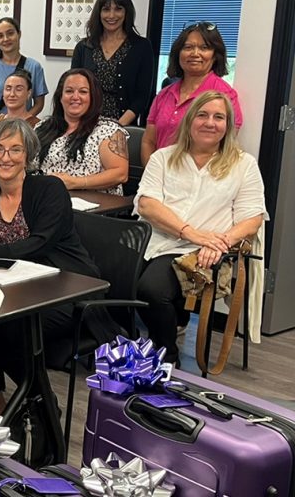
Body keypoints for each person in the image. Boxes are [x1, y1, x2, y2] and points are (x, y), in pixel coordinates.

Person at [0, 119, 110, 414]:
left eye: (15, 149)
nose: (5, 157)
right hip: (15, 289)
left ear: (28, 155)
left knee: (10, 329)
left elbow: (40, 244)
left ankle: (41, 400)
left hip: (66, 289)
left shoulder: (49, 189)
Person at [135, 92, 265, 365]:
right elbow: (147, 205)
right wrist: (190, 231)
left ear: (228, 125)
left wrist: (218, 243)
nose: (210, 122)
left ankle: (167, 358)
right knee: (109, 278)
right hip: (155, 239)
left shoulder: (244, 165)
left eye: (219, 117)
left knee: (150, 290)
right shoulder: (163, 157)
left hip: (198, 251)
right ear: (189, 121)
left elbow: (252, 219)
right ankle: (120, 347)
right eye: (202, 115)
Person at [142, 22, 242, 165]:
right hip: (159, 178)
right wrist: (152, 177)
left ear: (215, 55)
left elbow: (225, 148)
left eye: (204, 48)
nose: (195, 54)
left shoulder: (225, 96)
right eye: (188, 47)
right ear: (178, 54)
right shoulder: (164, 95)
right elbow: (148, 142)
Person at [36, 68, 129, 195]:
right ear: (60, 97)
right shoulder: (42, 127)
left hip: (93, 207)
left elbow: (120, 174)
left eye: (83, 92)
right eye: (69, 91)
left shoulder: (109, 130)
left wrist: (75, 182)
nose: (75, 97)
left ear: (92, 97)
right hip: (45, 200)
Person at [70, 0, 155, 125]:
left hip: (123, 125)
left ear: (126, 12)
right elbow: (73, 89)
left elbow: (142, 97)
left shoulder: (141, 47)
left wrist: (117, 127)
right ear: (99, 13)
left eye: (118, 9)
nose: (111, 15)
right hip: (86, 124)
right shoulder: (84, 47)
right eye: (106, 9)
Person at [0, 18, 48, 130]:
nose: (6, 39)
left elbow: (39, 104)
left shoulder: (34, 67)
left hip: (20, 129)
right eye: (0, 36)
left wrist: (20, 122)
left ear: (19, 34)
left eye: (10, 33)